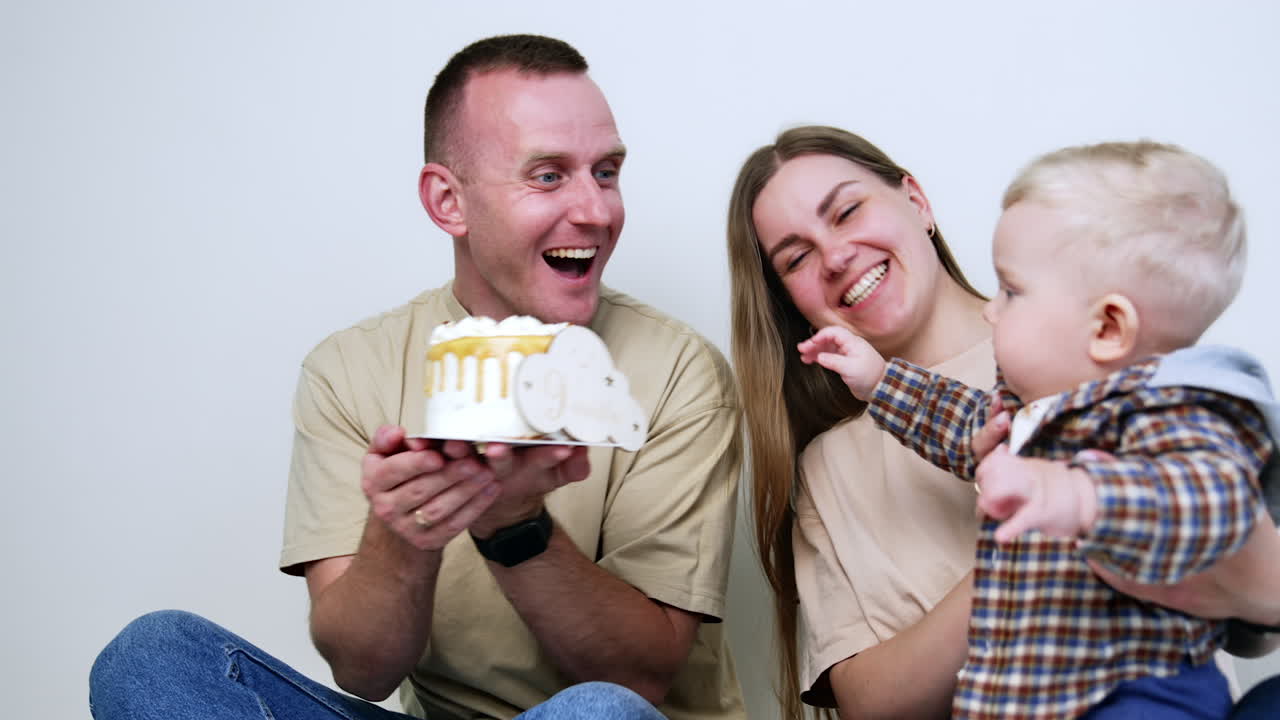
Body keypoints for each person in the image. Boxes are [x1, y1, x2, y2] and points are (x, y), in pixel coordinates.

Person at [90, 34, 745, 720]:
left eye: (606, 172)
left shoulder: (679, 372)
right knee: (152, 654)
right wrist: (404, 533)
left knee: (595, 712)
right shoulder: (349, 371)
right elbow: (363, 670)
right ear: (447, 201)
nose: (598, 210)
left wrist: (513, 524)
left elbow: (641, 676)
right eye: (549, 175)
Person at [724, 126, 1280, 720]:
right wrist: (881, 381)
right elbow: (965, 426)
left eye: (848, 210)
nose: (834, 257)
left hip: (1142, 694)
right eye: (797, 256)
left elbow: (1238, 580)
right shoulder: (858, 456)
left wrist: (1077, 498)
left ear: (916, 200)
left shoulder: (1115, 368)